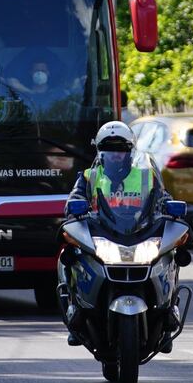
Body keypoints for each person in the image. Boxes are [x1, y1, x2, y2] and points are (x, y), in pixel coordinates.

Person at [62, 121, 173, 348]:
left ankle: (167, 313)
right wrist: (76, 207)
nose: (115, 154)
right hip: (101, 233)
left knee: (170, 256)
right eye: (109, 149)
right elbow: (73, 201)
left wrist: (171, 208)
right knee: (68, 257)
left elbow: (163, 198)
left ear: (130, 150)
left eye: (120, 149)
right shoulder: (89, 176)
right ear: (99, 151)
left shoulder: (146, 175)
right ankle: (76, 314)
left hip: (139, 232)